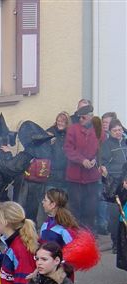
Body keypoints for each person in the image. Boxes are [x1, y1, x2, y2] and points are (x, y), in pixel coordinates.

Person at [64, 103, 101, 231]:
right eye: (79, 117)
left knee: (91, 207)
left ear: (90, 117)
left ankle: (89, 232)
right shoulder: (73, 129)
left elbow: (102, 149)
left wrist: (95, 160)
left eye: (83, 118)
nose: (80, 120)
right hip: (75, 176)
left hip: (92, 176)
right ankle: (75, 232)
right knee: (75, 206)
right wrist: (82, 160)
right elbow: (68, 149)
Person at [100, 119, 127, 252]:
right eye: (115, 130)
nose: (118, 132)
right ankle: (116, 242)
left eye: (120, 129)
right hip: (114, 183)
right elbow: (102, 163)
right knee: (115, 214)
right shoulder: (106, 145)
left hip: (126, 180)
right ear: (110, 132)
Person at [46, 112, 71, 193]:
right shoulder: (50, 132)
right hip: (51, 172)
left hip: (66, 173)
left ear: (67, 123)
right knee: (50, 198)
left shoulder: (71, 134)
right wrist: (48, 142)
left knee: (63, 200)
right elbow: (42, 150)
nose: (60, 123)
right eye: (58, 121)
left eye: (63, 121)